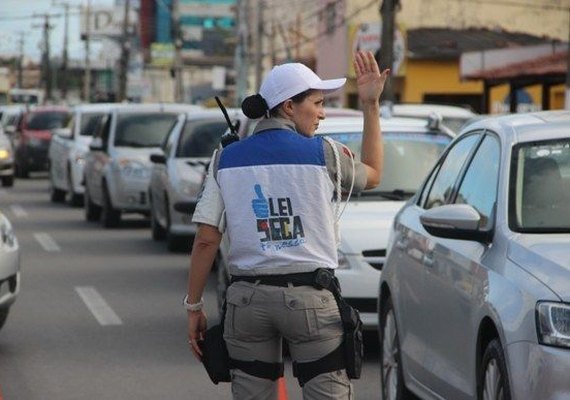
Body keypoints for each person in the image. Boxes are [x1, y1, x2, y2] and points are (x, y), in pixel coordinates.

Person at [185, 50, 389, 399]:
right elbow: (373, 174)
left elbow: (206, 240)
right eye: (318, 103)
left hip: (247, 303)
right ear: (289, 107)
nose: (322, 113)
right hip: (312, 299)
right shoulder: (325, 154)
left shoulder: (226, 158)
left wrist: (194, 306)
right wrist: (370, 106)